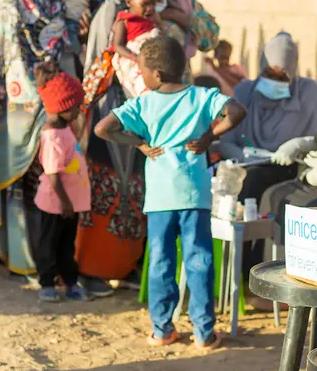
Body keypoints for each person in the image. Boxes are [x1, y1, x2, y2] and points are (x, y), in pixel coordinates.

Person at [95, 35, 246, 350]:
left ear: (157, 74)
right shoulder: (202, 96)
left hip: (161, 198)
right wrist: (208, 136)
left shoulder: (143, 103)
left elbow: (104, 128)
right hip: (194, 194)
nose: (142, 76)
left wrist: (139, 144)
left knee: (162, 261)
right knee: (199, 259)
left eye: (143, 71)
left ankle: (162, 330)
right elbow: (236, 111)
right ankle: (204, 334)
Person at [76, 0, 177, 293]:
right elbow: (102, 56)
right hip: (113, 107)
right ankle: (93, 269)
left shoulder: (152, 16)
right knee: (106, 185)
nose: (153, 6)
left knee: (135, 187)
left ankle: (128, 265)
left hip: (141, 110)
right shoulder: (113, 14)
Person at [0, 0, 73, 278]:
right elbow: (14, 50)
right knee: (28, 184)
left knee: (50, 182)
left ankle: (48, 262)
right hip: (27, 101)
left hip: (51, 98)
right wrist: (44, 96)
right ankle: (28, 260)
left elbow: (56, 33)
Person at [219, 32, 317, 204]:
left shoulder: (309, 95)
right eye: (269, 74)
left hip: (293, 172)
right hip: (245, 170)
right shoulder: (244, 93)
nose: (274, 82)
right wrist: (244, 158)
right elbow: (226, 142)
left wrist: (299, 145)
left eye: (282, 77)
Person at [261, 44, 317, 238]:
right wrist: (300, 147)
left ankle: (297, 265)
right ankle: (264, 264)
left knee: (304, 208)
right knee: (272, 196)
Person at [32, 62, 91, 302]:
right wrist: (66, 202)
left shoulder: (65, 128)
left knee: (67, 245)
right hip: (56, 205)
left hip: (68, 205)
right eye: (76, 106)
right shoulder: (53, 136)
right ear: (62, 106)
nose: (79, 110)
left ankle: (69, 281)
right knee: (49, 245)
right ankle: (47, 283)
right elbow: (53, 174)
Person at [111, 0, 162, 97]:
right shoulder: (124, 21)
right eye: (145, 4)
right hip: (133, 61)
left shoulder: (152, 18)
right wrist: (135, 58)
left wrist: (159, 24)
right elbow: (117, 45)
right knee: (142, 90)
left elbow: (162, 35)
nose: (150, 9)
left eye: (153, 4)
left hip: (151, 60)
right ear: (129, 1)